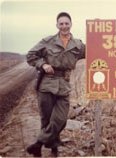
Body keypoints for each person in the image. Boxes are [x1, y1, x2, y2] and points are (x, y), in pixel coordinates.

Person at [26, 12, 85, 157]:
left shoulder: (78, 45)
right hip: (47, 83)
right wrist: (43, 64)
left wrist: (98, 33)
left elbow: (95, 52)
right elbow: (31, 55)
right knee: (46, 119)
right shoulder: (48, 41)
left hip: (64, 84)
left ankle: (38, 143)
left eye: (67, 23)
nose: (64, 26)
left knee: (61, 119)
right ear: (57, 25)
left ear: (71, 24)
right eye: (61, 24)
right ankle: (52, 149)